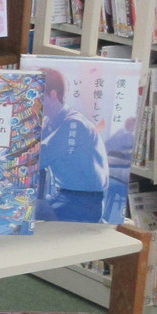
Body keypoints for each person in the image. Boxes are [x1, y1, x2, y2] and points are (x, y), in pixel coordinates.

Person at [36, 68, 110, 222]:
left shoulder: (74, 124)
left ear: (53, 94)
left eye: (37, 95)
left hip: (85, 203)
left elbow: (40, 157)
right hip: (64, 195)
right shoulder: (51, 122)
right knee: (26, 207)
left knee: (25, 211)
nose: (33, 102)